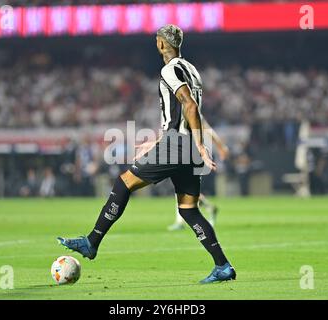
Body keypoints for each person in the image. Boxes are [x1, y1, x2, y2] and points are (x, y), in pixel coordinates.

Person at [58, 25, 236, 284]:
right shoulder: (192, 70)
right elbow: (178, 115)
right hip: (183, 146)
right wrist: (160, 142)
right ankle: (223, 266)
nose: (156, 43)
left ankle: (91, 242)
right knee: (189, 210)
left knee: (124, 182)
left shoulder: (169, 69)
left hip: (179, 145)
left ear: (163, 44)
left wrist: (196, 143)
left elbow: (189, 104)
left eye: (157, 40)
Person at [167, 120, 229, 231]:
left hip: (192, 153)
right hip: (183, 152)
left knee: (182, 186)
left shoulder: (191, 108)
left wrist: (221, 146)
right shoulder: (178, 112)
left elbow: (207, 128)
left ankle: (180, 221)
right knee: (184, 187)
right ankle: (209, 208)